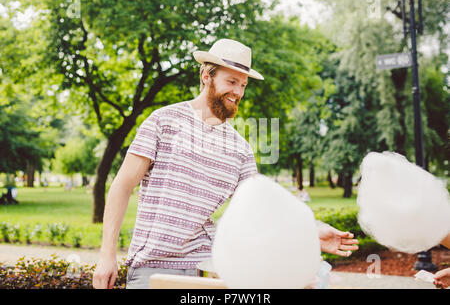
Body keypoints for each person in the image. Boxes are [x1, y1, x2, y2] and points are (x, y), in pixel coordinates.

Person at [92, 38, 359, 289]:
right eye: (232, 82)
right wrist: (107, 255)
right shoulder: (163, 121)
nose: (238, 92)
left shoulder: (240, 150)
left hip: (208, 269)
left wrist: (312, 231)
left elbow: (262, 210)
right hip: (152, 268)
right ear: (206, 76)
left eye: (243, 85)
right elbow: (122, 186)